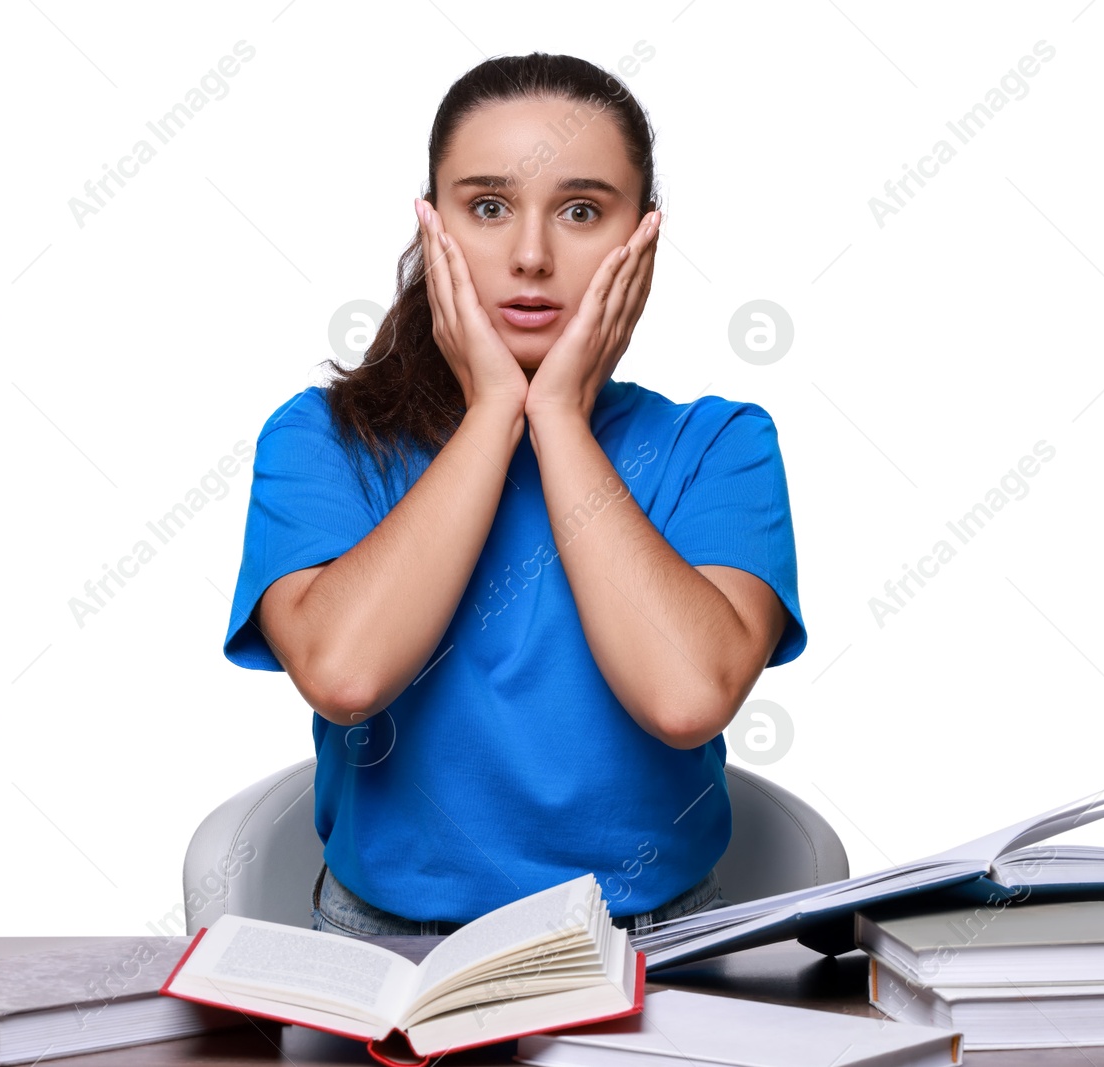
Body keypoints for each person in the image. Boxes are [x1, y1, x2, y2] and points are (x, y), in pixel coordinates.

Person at [222, 53, 807, 938]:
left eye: (581, 211)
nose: (531, 256)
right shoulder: (320, 440)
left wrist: (561, 418)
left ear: (640, 238)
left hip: (658, 944)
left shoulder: (719, 446)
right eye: (488, 207)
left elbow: (687, 698)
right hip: (386, 947)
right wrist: (496, 409)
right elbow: (346, 676)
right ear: (433, 231)